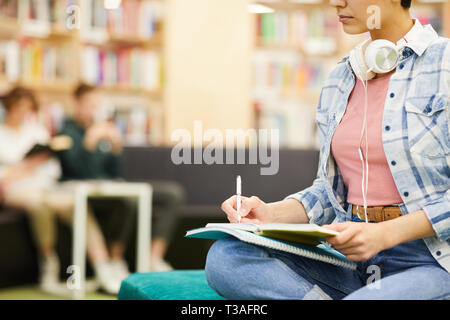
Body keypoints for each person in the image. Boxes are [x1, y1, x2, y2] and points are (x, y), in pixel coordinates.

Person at [205, 0, 450, 300]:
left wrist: (385, 234)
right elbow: (329, 191)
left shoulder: (444, 65)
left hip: (431, 260)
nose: (336, 2)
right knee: (226, 257)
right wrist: (270, 214)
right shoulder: (341, 77)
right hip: (351, 256)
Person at [0, 87, 124, 295]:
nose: (22, 113)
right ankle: (49, 271)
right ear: (9, 108)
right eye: (18, 108)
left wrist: (33, 168)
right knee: (39, 205)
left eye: (27, 109)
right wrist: (19, 170)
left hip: (43, 186)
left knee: (76, 205)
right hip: (15, 190)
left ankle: (103, 268)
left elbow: (53, 168)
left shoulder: (37, 132)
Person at [57, 83, 185, 272]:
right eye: (90, 105)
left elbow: (114, 172)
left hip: (111, 186)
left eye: (97, 105)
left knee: (172, 194)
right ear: (77, 104)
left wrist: (116, 148)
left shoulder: (104, 130)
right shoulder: (67, 133)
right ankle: (116, 260)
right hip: (85, 191)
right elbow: (77, 171)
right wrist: (89, 143)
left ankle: (153, 259)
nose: (94, 110)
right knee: (128, 201)